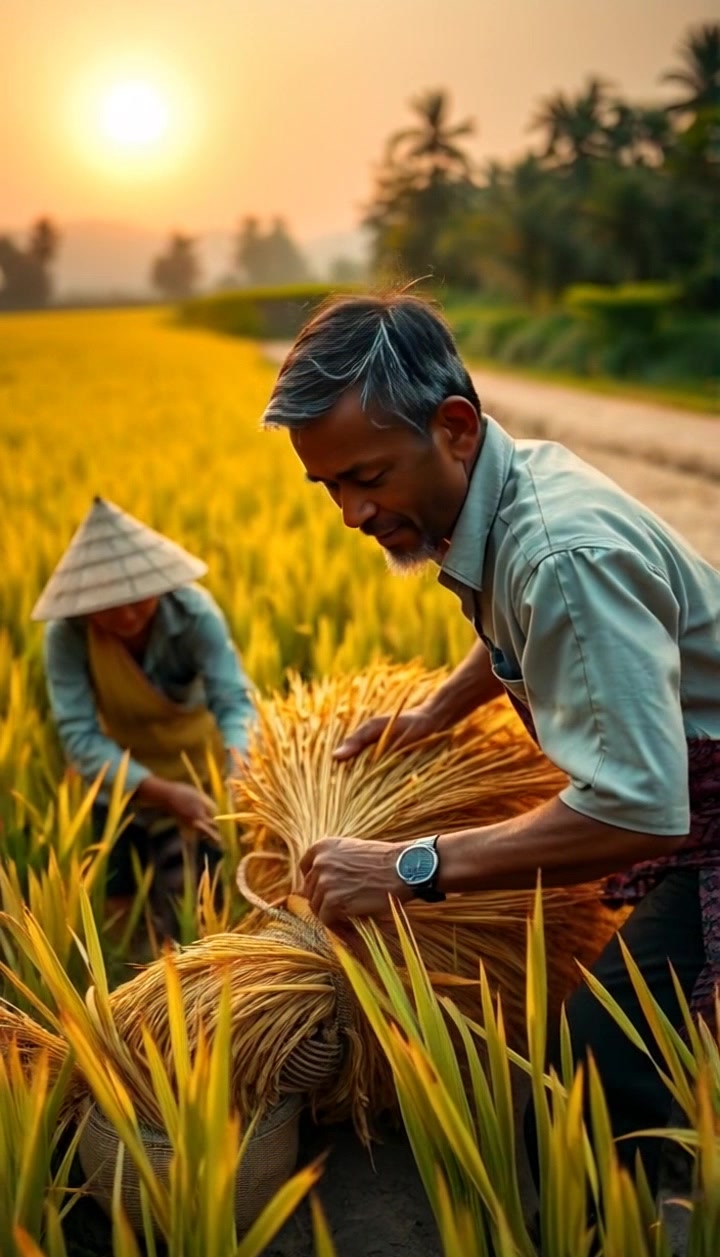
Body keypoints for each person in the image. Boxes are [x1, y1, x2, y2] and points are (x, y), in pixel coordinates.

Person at [262, 292, 720, 1197]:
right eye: (329, 488)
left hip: (695, 813)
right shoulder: (503, 492)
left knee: (598, 1069)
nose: (351, 514)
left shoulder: (562, 553)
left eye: (367, 477)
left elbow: (639, 808)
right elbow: (524, 625)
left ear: (456, 427)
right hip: (687, 794)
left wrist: (404, 867)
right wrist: (438, 711)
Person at [33, 496, 255, 933]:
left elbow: (233, 700)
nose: (128, 614)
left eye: (138, 599)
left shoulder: (194, 614)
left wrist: (241, 768)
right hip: (118, 778)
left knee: (205, 903)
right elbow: (79, 735)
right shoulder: (67, 636)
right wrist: (161, 793)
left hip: (203, 770)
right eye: (109, 604)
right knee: (121, 906)